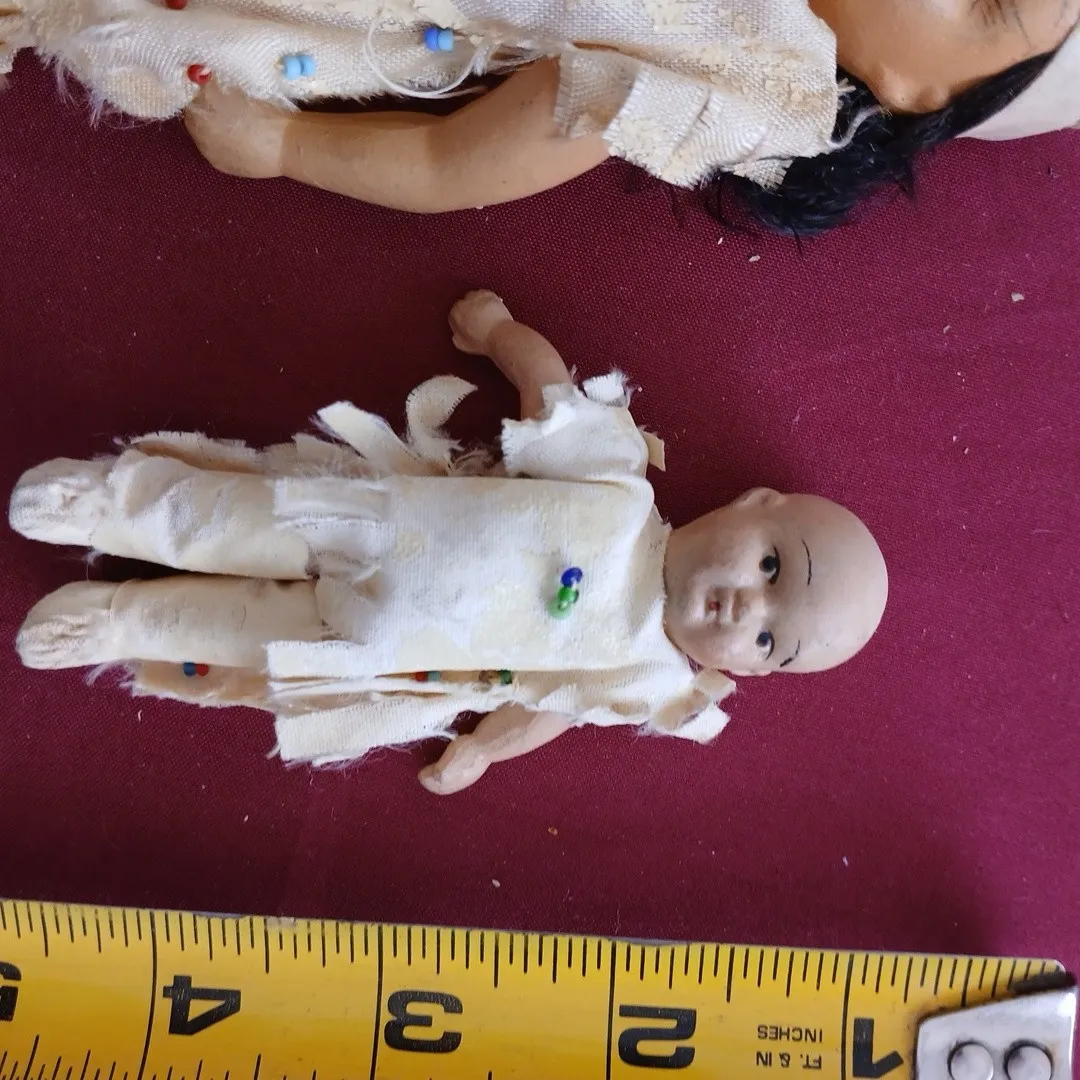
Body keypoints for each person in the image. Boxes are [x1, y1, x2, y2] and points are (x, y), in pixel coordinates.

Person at [8, 290, 887, 794]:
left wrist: (483, 749)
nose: (745, 606)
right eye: (773, 565)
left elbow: (548, 710)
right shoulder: (621, 489)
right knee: (239, 516)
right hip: (372, 522)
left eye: (767, 639)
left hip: (373, 648)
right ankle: (112, 506)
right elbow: (551, 395)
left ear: (746, 673)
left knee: (237, 632)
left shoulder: (643, 674)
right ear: (750, 504)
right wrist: (499, 333)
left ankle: (121, 621)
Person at [2, 0, 1076, 232]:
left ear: (915, 95)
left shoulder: (754, 76)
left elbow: (465, 161)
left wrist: (287, 146)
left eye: (986, 2)